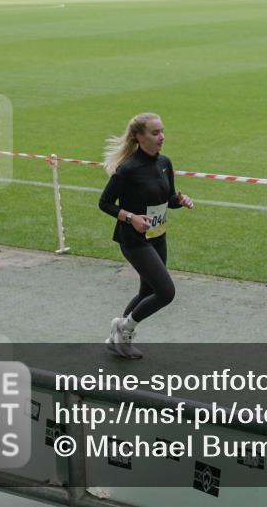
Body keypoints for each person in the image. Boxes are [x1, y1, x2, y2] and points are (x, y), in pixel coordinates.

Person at [99, 113, 193, 359]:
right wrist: (132, 218)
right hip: (134, 240)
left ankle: (116, 339)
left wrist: (180, 200)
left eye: (162, 131)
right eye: (155, 133)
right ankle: (124, 329)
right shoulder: (128, 169)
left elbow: (167, 198)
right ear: (139, 137)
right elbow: (105, 203)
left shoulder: (165, 163)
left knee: (147, 291)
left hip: (158, 236)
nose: (161, 137)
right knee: (165, 292)